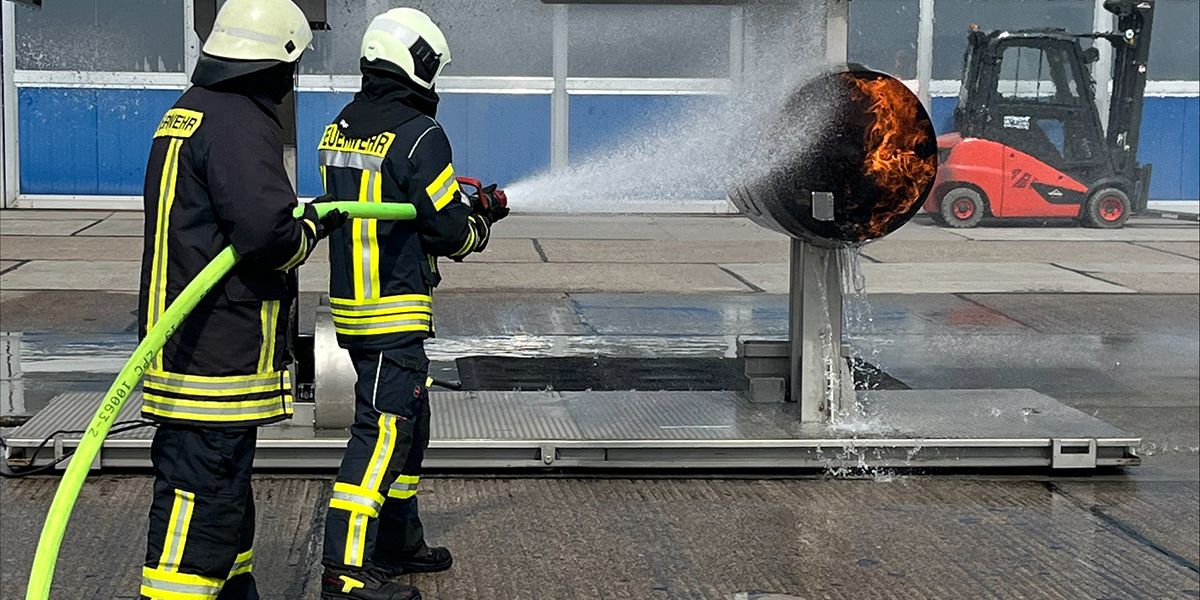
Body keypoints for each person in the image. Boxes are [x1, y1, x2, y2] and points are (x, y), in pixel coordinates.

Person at [137, 1, 345, 598]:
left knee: (221, 486)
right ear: (276, 60)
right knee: (200, 494)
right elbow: (264, 235)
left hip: (186, 340)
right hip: (216, 353)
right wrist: (307, 228)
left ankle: (233, 588)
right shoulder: (239, 120)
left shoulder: (190, 112)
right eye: (296, 64)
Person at [315, 8, 508, 600]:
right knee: (381, 435)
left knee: (409, 428)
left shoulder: (341, 124)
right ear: (416, 63)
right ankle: (345, 572)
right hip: (393, 309)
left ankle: (400, 542)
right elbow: (447, 229)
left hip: (354, 306)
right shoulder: (422, 134)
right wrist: (483, 222)